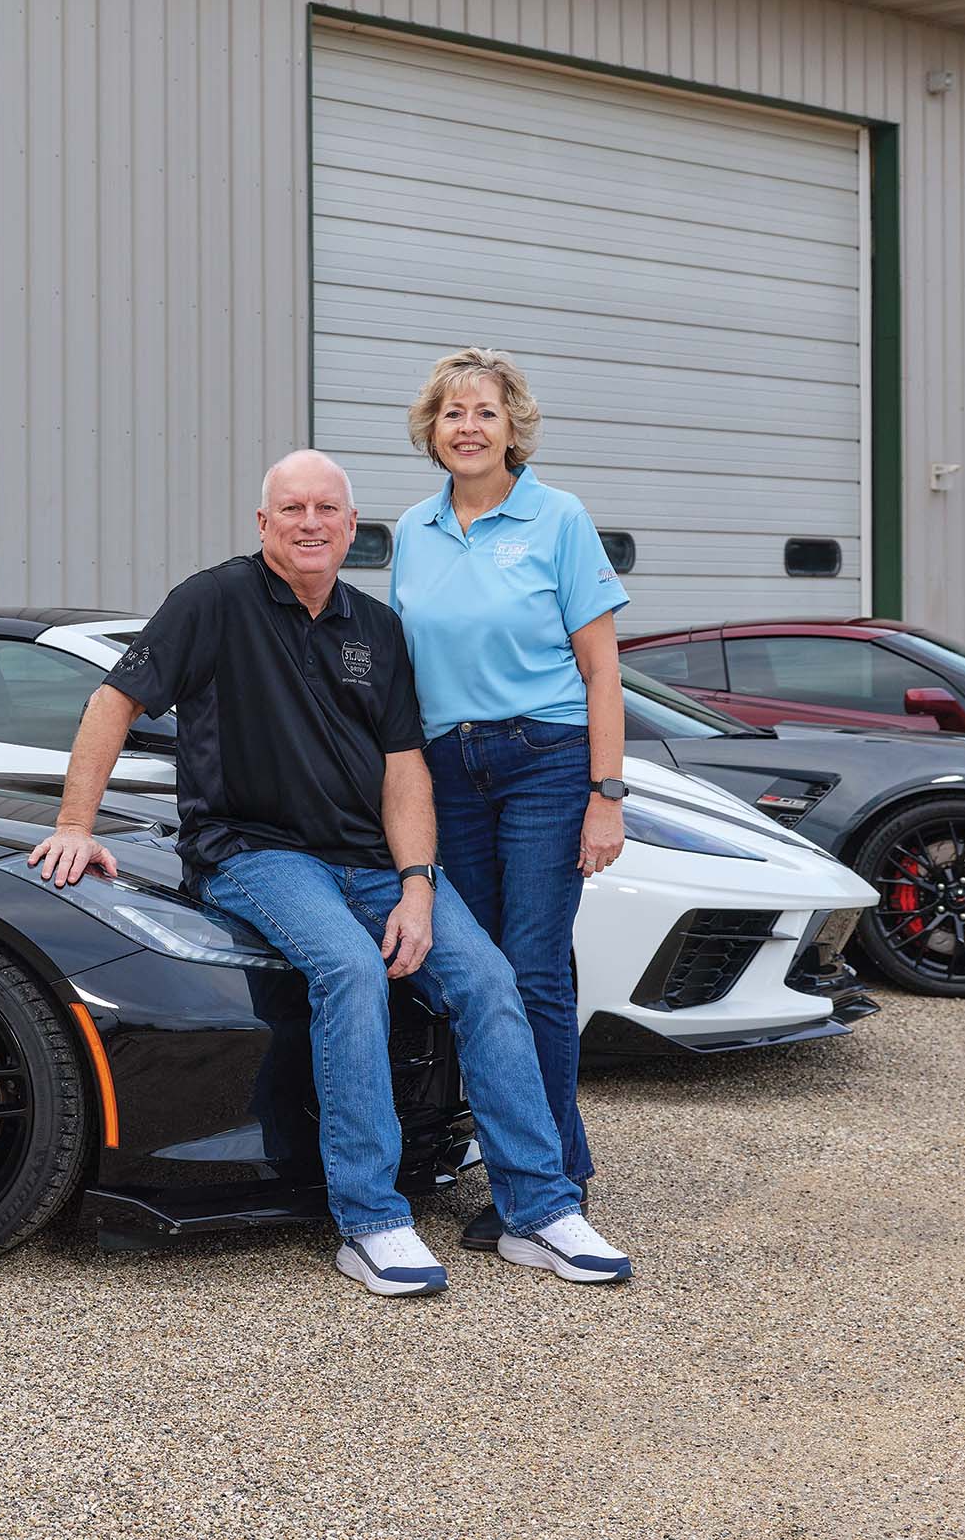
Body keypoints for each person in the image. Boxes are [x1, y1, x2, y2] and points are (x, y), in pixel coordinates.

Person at [26, 450, 633, 1294]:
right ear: (264, 523)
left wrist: (419, 883)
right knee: (349, 968)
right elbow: (112, 701)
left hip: (375, 862)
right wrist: (74, 824)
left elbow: (405, 769)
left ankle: (537, 1207)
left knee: (490, 977)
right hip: (254, 852)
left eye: (326, 510)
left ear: (352, 528)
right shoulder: (213, 601)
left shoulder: (376, 630)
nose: (309, 523)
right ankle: (371, 1220)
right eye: (292, 509)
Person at [389, 348, 628, 1256]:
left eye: (485, 412)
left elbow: (603, 671)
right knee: (478, 978)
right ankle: (528, 1161)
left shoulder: (559, 518)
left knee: (532, 970)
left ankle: (551, 1182)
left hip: (545, 761)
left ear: (512, 426)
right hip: (450, 769)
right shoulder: (412, 529)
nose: (468, 427)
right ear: (432, 428)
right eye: (453, 413)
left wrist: (606, 794)